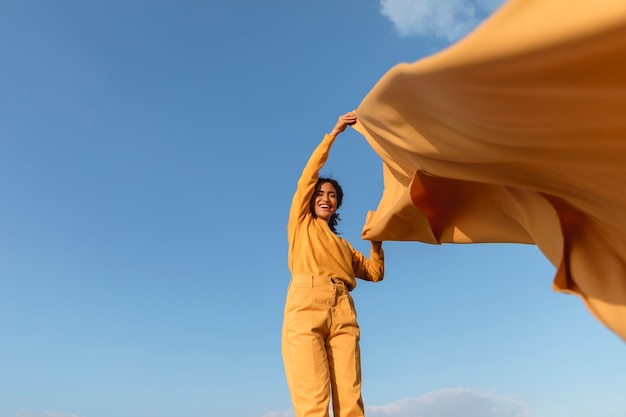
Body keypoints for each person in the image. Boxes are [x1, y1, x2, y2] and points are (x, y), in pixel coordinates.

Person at [282, 111, 385, 417]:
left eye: (332, 195)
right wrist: (334, 133)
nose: (326, 198)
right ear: (311, 199)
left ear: (337, 204)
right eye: (320, 194)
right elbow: (308, 177)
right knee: (313, 401)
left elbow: (374, 273)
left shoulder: (343, 246)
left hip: (343, 307)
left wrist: (376, 241)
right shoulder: (302, 224)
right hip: (306, 304)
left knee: (351, 401)